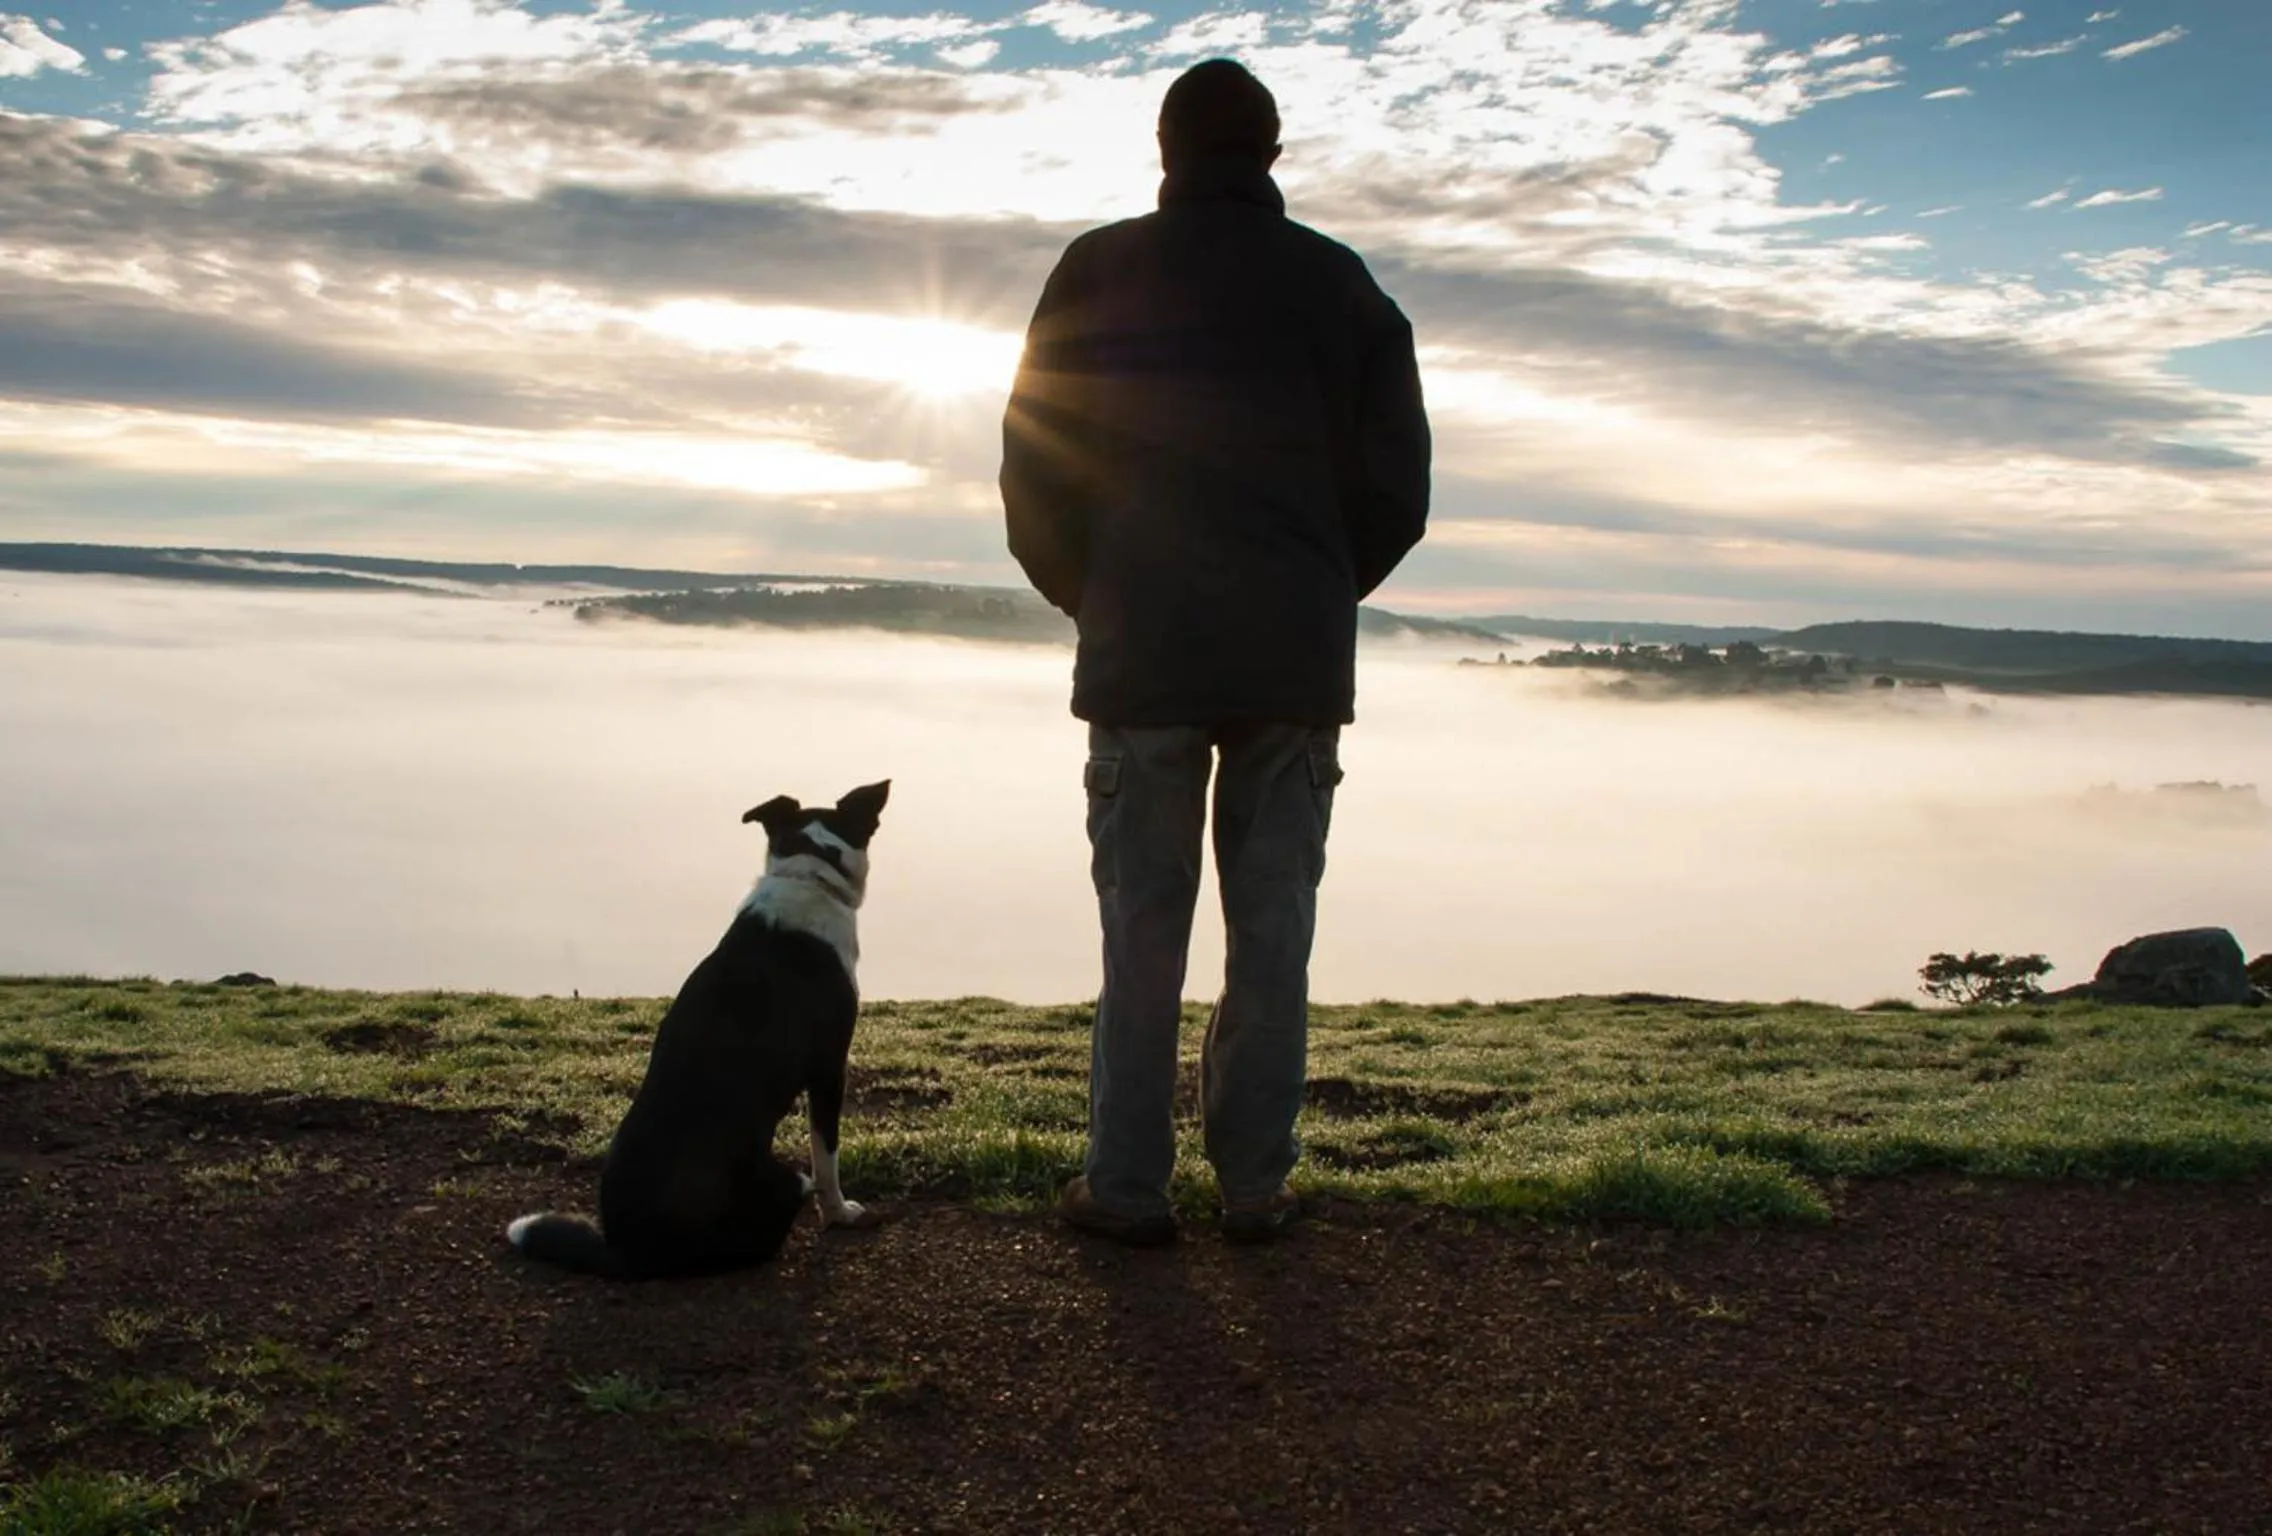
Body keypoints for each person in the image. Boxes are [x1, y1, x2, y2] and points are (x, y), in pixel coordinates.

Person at [1000, 58, 1431, 1246]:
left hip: (1143, 658)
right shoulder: (1342, 288)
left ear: (1163, 152)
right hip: (1291, 669)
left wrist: (1095, 596)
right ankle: (1255, 1189)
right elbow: (1399, 489)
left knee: (1141, 931)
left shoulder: (1096, 270)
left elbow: (1032, 467)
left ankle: (1127, 1191)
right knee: (1272, 934)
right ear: (1274, 155)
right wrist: (1318, 591)